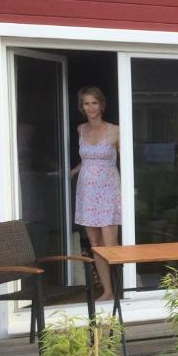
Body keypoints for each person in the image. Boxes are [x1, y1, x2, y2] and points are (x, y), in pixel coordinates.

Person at [70, 86, 120, 301]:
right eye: (86, 103)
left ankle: (121, 289)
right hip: (86, 191)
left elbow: (126, 159)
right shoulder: (81, 129)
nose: (90, 107)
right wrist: (73, 170)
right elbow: (88, 158)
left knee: (111, 246)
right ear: (82, 107)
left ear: (101, 105)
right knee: (96, 245)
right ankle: (107, 290)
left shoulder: (115, 130)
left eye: (94, 103)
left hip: (108, 189)